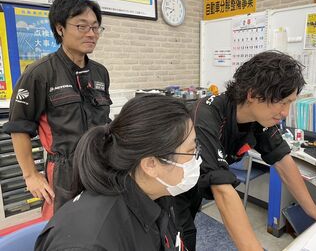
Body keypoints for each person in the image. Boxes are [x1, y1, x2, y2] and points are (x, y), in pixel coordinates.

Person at [174, 51, 316, 251]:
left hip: (194, 187)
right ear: (252, 94)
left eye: (290, 103)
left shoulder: (259, 117)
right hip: (169, 192)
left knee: (186, 236)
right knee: (175, 238)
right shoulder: (207, 115)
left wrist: (314, 210)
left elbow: (283, 160)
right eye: (281, 102)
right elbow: (222, 190)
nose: (285, 113)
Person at [35, 94, 202, 250]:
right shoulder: (90, 241)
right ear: (151, 164)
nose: (197, 159)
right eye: (191, 151)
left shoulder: (156, 195)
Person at [2, 0, 111, 219]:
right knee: (64, 230)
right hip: (64, 172)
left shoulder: (100, 72)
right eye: (82, 26)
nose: (91, 34)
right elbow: (19, 127)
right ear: (60, 29)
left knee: (100, 223)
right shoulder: (39, 73)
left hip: (100, 165)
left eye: (95, 27)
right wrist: (30, 175)